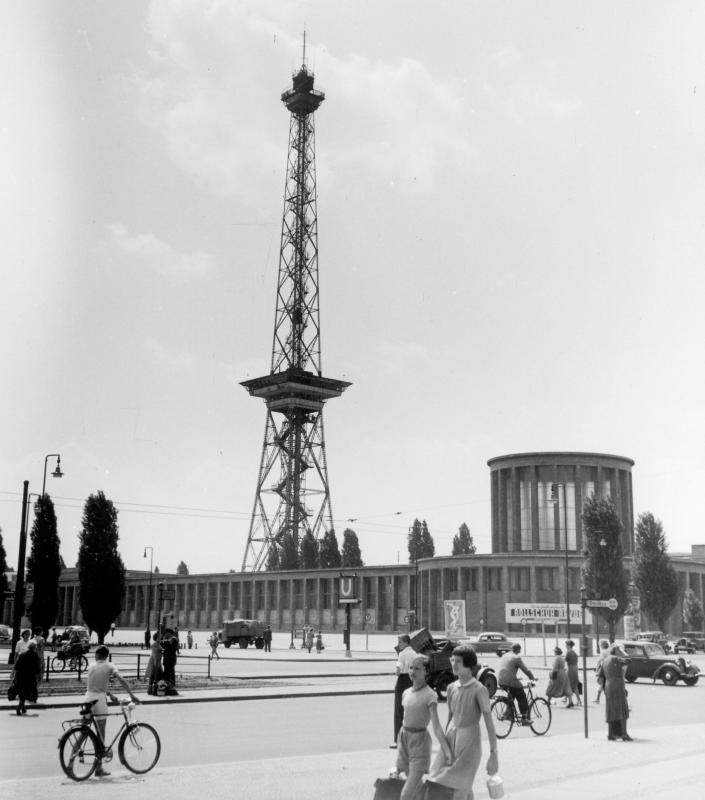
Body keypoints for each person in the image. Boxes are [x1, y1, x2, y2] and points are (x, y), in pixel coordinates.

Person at [427, 645, 499, 800]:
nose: (454, 664)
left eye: (458, 661)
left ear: (470, 666)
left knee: (459, 788)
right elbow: (450, 717)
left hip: (470, 744)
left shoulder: (479, 689)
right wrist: (445, 746)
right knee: (445, 781)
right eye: (453, 660)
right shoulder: (452, 688)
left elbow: (489, 723)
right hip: (452, 739)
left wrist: (493, 754)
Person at [392, 655, 451, 800]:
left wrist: (446, 750)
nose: (412, 671)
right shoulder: (406, 693)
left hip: (420, 743)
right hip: (404, 740)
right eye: (411, 667)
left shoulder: (430, 695)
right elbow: (404, 719)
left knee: (406, 794)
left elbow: (436, 726)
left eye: (417, 668)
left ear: (426, 671)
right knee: (417, 789)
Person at [83, 645, 139, 776]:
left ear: (97, 655)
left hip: (87, 698)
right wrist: (131, 695)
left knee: (84, 732)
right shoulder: (109, 666)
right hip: (100, 700)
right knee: (101, 734)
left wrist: (110, 694)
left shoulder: (91, 666)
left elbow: (97, 683)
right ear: (106, 656)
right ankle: (99, 768)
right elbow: (121, 680)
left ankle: (70, 762)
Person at [596, 644, 632, 741]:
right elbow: (629, 660)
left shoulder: (605, 660)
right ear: (616, 651)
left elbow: (599, 677)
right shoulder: (616, 658)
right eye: (619, 651)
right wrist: (622, 651)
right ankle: (624, 734)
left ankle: (610, 734)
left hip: (608, 686)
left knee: (610, 709)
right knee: (622, 709)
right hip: (618, 684)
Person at [497, 643, 535, 723]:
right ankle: (524, 718)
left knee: (513, 693)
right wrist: (532, 678)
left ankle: (508, 713)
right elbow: (526, 670)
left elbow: (508, 668)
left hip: (500, 680)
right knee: (522, 695)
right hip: (510, 680)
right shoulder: (516, 658)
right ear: (518, 650)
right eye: (519, 650)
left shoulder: (505, 655)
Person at [391, 633, 417, 748]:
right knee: (410, 712)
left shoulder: (402, 654)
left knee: (399, 712)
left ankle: (397, 740)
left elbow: (398, 670)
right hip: (411, 681)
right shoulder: (415, 654)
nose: (399, 645)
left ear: (406, 642)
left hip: (402, 681)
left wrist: (396, 670)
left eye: (400, 642)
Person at [13, 640, 41, 715]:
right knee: (26, 692)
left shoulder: (22, 654)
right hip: (30, 676)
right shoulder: (35, 655)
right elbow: (37, 667)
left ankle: (23, 708)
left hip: (20, 676)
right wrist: (38, 676)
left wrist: (15, 675)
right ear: (34, 648)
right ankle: (19, 708)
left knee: (22, 691)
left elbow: (17, 666)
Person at [161, 629, 179, 695]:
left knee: (170, 675)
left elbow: (167, 642)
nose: (165, 634)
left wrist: (162, 640)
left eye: (166, 633)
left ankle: (172, 690)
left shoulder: (173, 639)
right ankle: (168, 689)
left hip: (170, 660)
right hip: (168, 660)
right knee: (167, 674)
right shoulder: (171, 638)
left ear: (169, 633)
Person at [565, 640, 581, 706]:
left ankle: (570, 701)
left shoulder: (568, 652)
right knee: (575, 686)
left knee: (568, 685)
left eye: (566, 645)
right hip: (575, 669)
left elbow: (565, 660)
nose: (565, 646)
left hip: (570, 669)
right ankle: (579, 700)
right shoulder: (574, 652)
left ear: (568, 645)